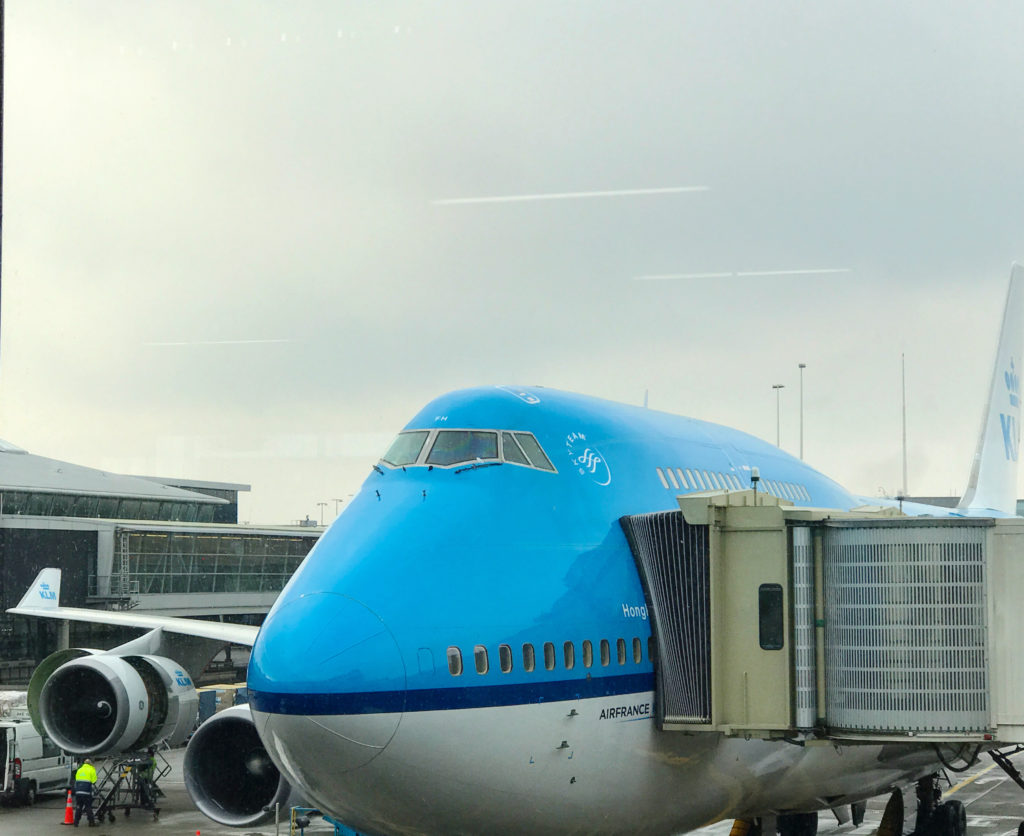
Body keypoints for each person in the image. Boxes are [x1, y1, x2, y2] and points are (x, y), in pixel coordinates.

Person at [73, 758, 97, 827]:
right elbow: (94, 781)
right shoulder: (91, 769)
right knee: (88, 807)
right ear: (90, 763)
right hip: (86, 792)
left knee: (79, 807)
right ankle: (91, 822)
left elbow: (76, 779)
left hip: (78, 792)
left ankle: (76, 822)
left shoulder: (79, 770)